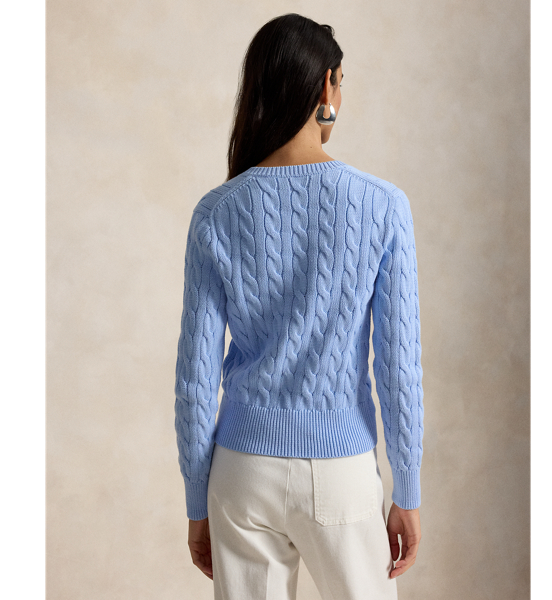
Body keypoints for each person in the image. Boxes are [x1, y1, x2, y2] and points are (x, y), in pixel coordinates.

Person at [175, 12, 424, 600]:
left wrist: (197, 499)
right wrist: (408, 490)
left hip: (241, 471)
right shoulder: (383, 206)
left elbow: (195, 380)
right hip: (342, 472)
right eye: (341, 82)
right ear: (326, 89)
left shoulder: (216, 212)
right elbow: (398, 368)